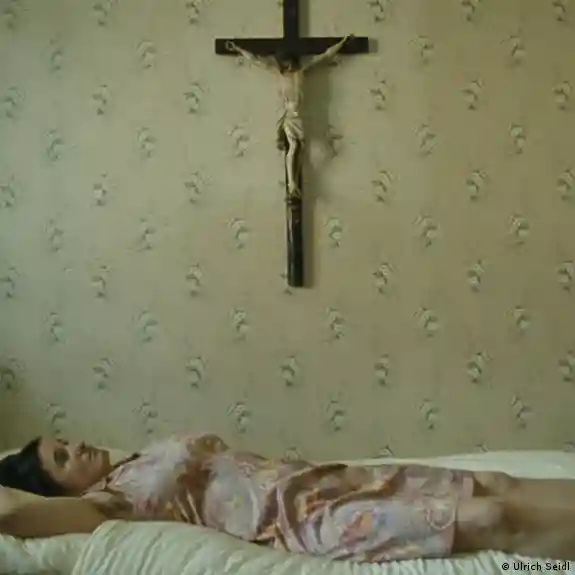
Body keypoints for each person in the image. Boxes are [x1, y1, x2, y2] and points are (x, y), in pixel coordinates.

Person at [0, 433, 575, 562]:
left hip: (328, 477)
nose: (76, 446)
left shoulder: (137, 459)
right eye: (61, 458)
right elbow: (14, 512)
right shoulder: (107, 503)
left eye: (64, 441)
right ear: (54, 488)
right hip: (313, 519)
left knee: (495, 483)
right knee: (490, 515)